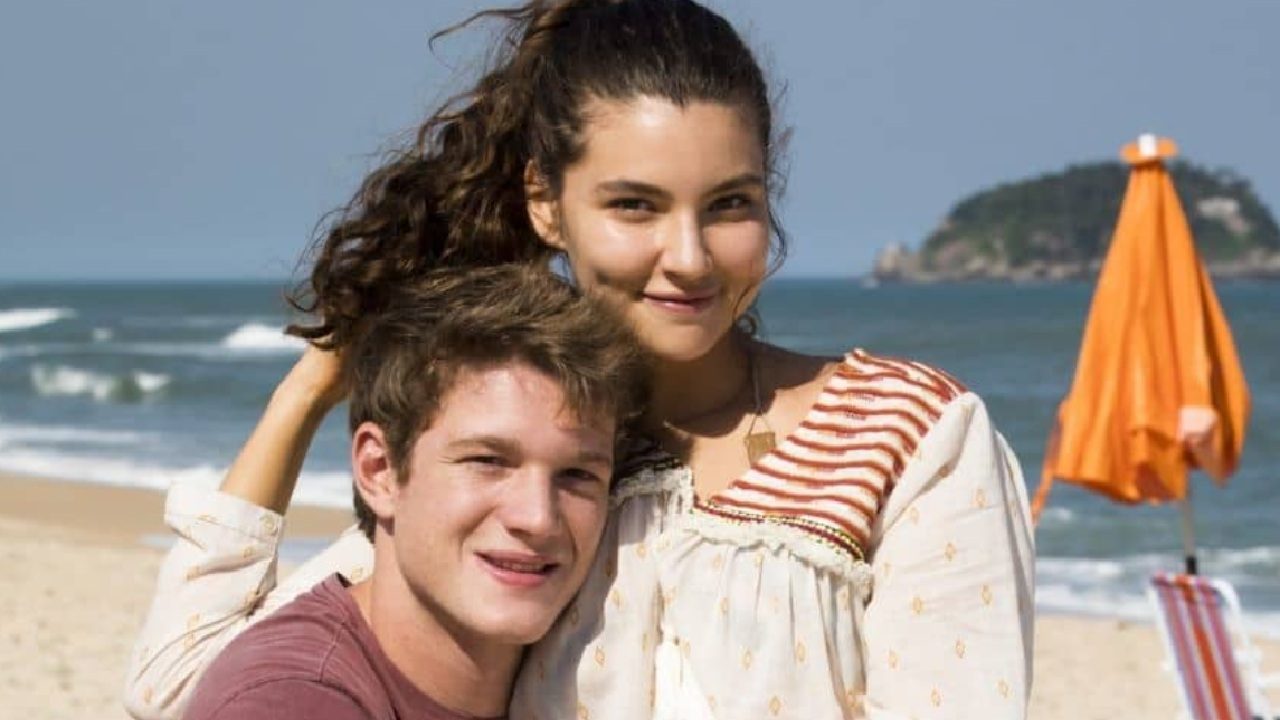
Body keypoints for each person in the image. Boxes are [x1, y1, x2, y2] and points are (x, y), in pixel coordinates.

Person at [125, 1, 1036, 718]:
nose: (688, 257)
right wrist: (315, 383)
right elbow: (182, 684)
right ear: (547, 204)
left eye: (728, 205)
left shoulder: (908, 434)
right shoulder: (536, 476)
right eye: (634, 206)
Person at [182, 265, 649, 719]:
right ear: (379, 470)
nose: (538, 517)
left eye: (576, 475)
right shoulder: (296, 701)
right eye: (488, 461)